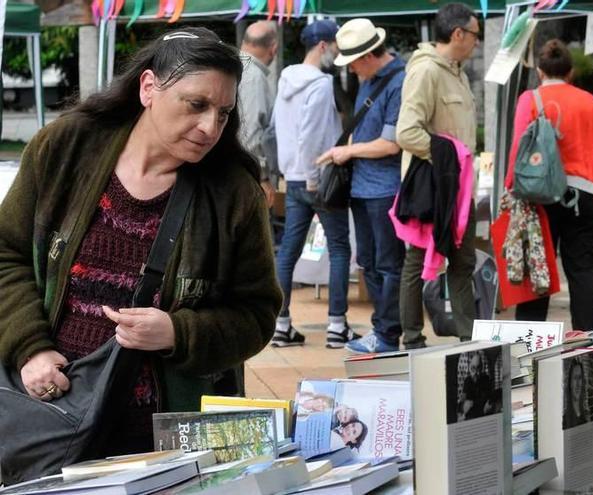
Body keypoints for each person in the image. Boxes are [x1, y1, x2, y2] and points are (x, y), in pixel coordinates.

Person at [0, 28, 281, 455]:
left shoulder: (233, 194)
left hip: (168, 438)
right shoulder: (65, 148)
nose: (210, 127)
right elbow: (7, 254)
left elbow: (257, 314)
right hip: (51, 416)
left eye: (223, 113)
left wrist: (176, 332)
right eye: (197, 105)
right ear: (148, 87)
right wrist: (29, 348)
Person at [505, 39, 593, 331]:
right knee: (583, 272)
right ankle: (587, 343)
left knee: (536, 271)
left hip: (539, 195)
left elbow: (518, 147)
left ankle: (527, 343)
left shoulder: (529, 99)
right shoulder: (590, 102)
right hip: (587, 195)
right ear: (570, 73)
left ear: (540, 72)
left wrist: (510, 187)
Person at [316, 19, 407, 354]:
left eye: (352, 62)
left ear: (368, 55)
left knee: (388, 264)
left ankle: (387, 334)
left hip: (386, 188)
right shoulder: (368, 79)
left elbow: (391, 143)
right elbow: (361, 131)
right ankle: (379, 330)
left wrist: (346, 151)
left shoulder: (399, 80)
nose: (351, 69)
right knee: (368, 262)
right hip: (362, 187)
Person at [270, 20, 359, 349]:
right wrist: (312, 176)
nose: (336, 53)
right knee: (339, 248)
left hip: (292, 176)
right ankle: (337, 326)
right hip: (317, 177)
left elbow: (279, 130)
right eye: (334, 46)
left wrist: (290, 171)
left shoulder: (285, 79)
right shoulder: (320, 84)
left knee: (288, 251)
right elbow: (311, 134)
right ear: (322, 46)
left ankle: (280, 324)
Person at [396, 2, 481, 348]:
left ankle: (469, 338)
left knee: (463, 261)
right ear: (458, 33)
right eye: (475, 34)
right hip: (434, 188)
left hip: (459, 190)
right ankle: (413, 338)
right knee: (417, 261)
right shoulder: (426, 71)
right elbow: (406, 132)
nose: (477, 41)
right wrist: (447, 159)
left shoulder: (456, 70)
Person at [238, 20, 279, 205]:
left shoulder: (233, 66)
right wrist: (261, 176)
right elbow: (251, 132)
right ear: (274, 48)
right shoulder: (254, 77)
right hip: (246, 175)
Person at [563, 358, 588, 429]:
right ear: (570, 383)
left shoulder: (587, 414)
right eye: (575, 378)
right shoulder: (565, 420)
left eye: (580, 378)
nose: (577, 384)